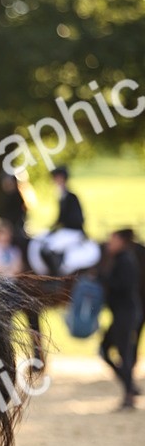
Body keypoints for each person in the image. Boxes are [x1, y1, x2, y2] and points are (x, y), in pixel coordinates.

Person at [99, 228, 142, 410]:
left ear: (122, 241)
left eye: (113, 240)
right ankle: (130, 388)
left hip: (126, 314)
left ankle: (129, 395)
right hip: (121, 314)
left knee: (123, 353)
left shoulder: (126, 260)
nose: (110, 243)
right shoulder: (121, 259)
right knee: (106, 349)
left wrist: (103, 279)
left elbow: (123, 286)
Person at [29, 166, 100, 277]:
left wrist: (60, 226)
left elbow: (75, 218)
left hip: (72, 231)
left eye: (56, 178)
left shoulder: (71, 197)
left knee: (50, 248)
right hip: (66, 229)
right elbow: (60, 217)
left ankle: (56, 276)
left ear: (62, 178)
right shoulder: (61, 195)